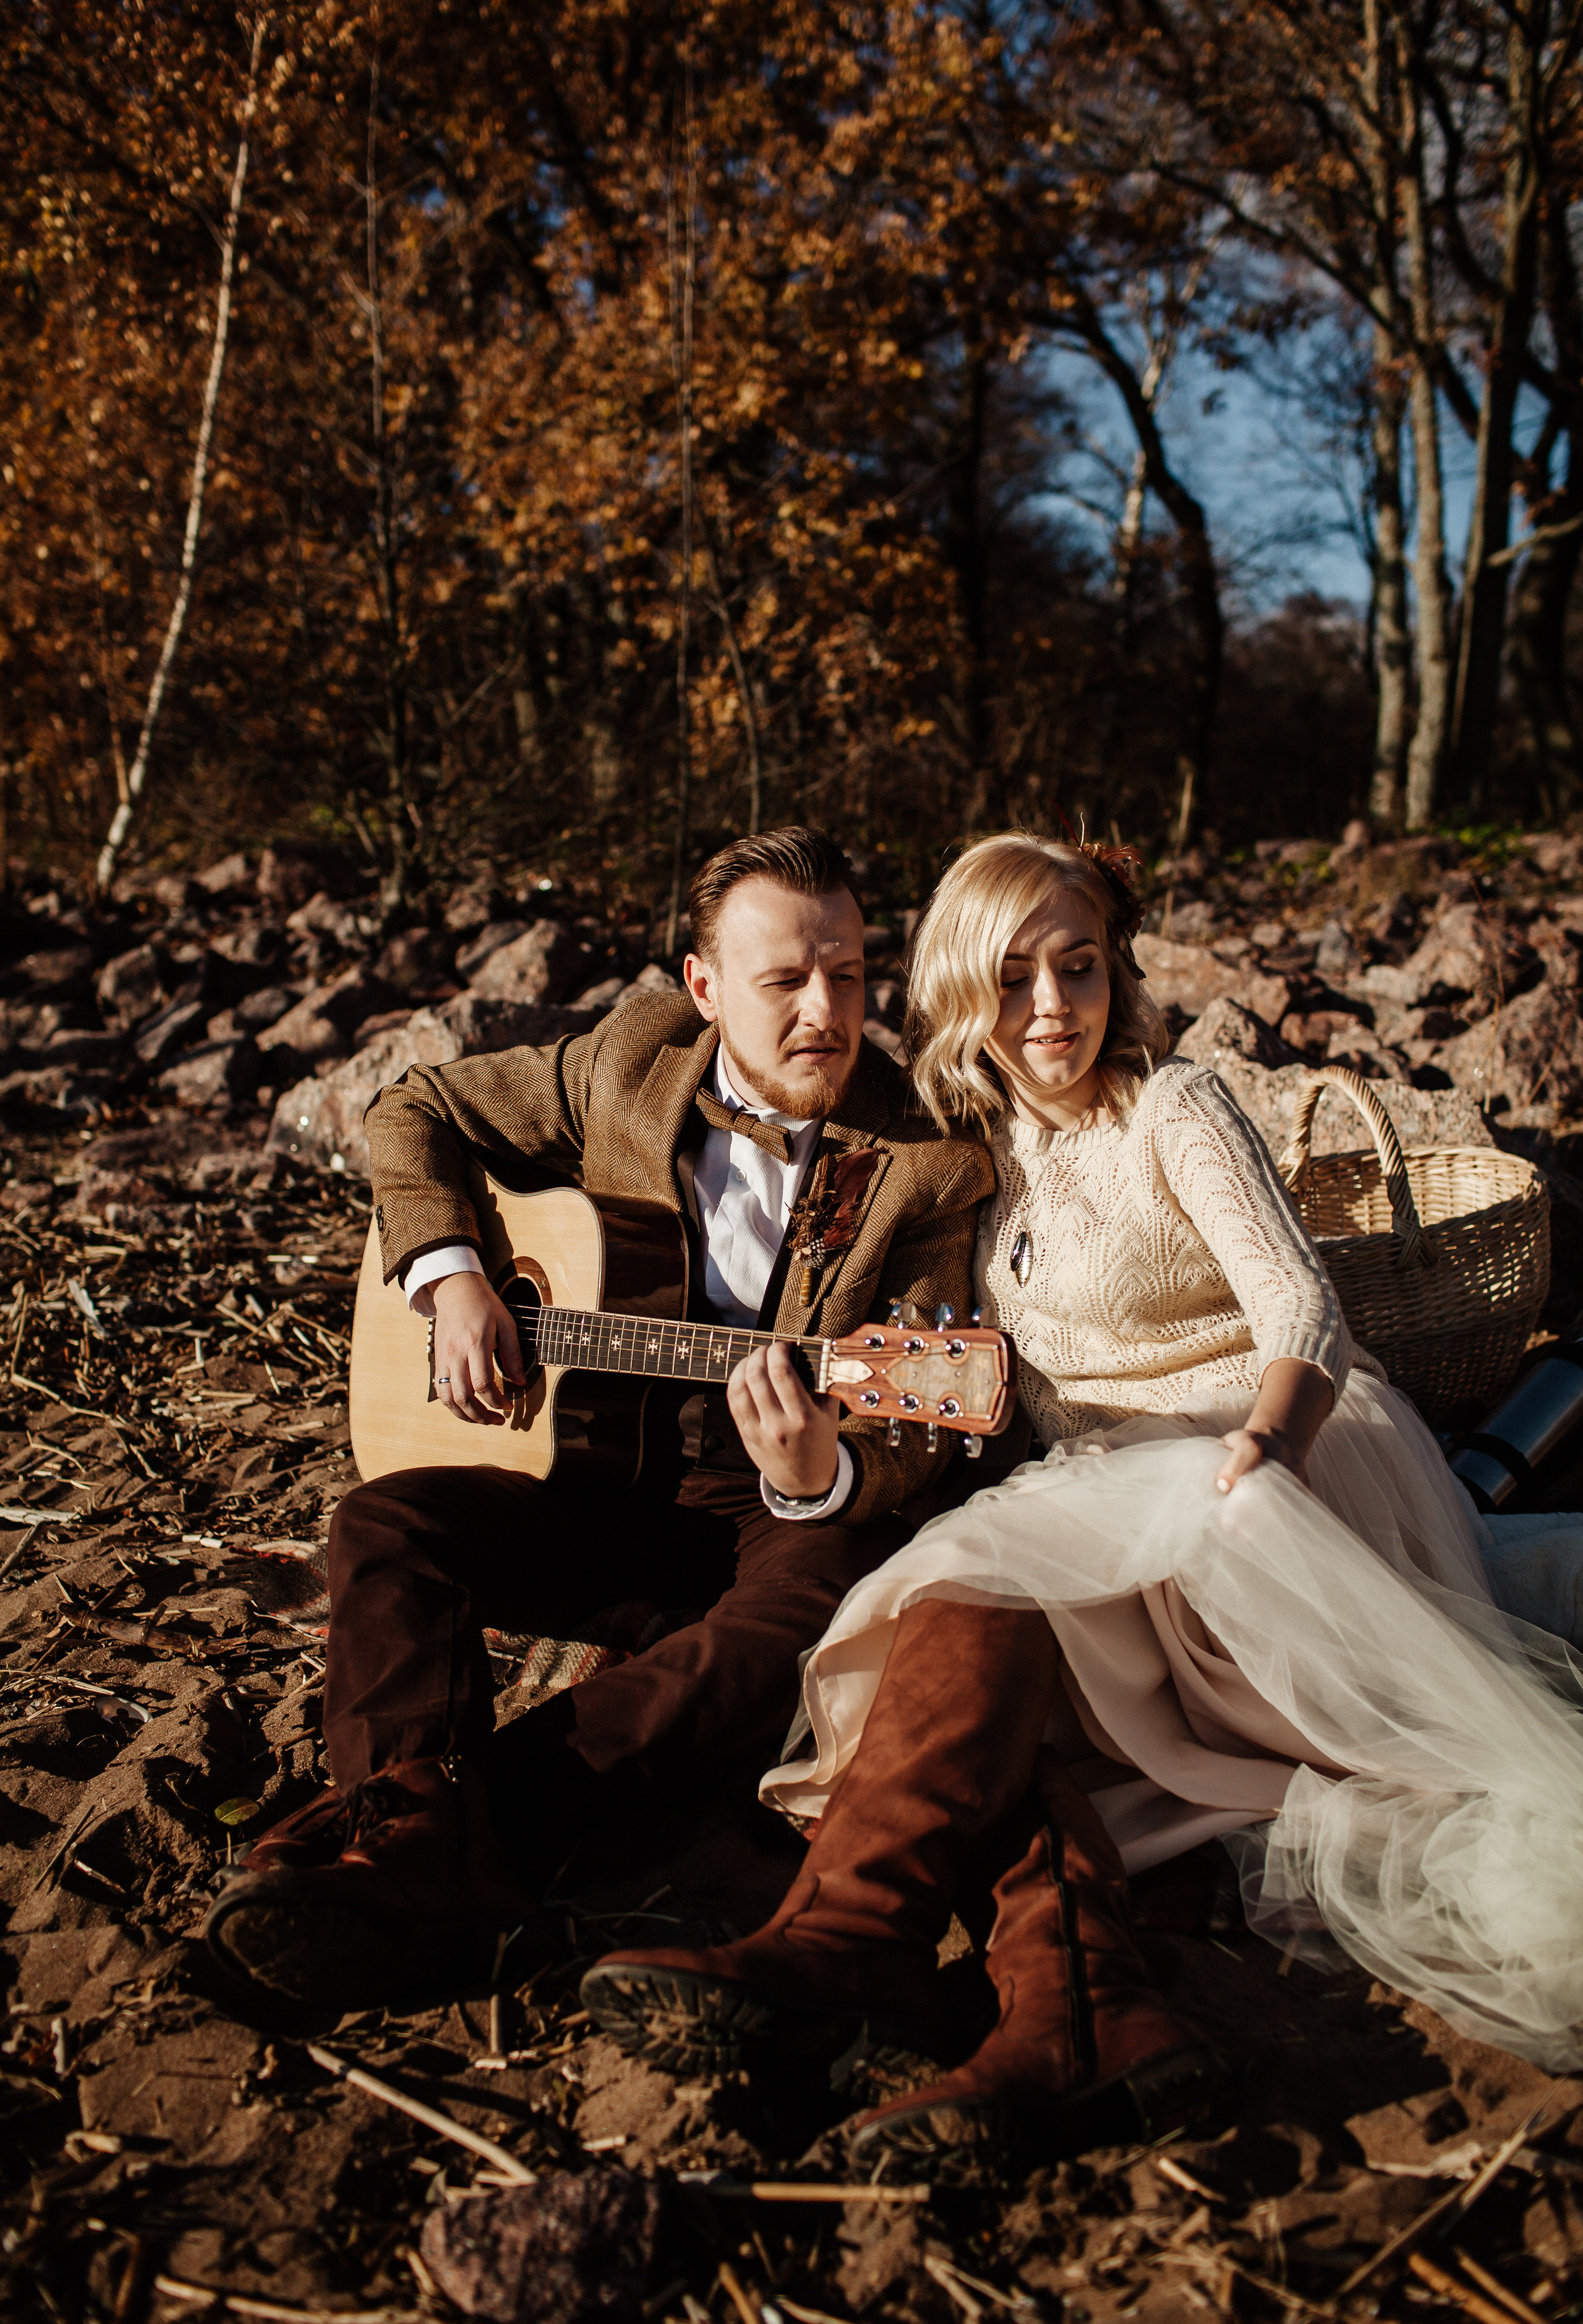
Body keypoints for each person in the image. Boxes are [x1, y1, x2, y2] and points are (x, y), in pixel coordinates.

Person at [581, 831, 1583, 2177]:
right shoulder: (966, 1143)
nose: (1050, 1007)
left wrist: (1259, 1463)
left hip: (1266, 1458)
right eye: (1010, 976)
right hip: (1110, 1485)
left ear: (1115, 974)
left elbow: (1302, 1308)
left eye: (1078, 967)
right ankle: (1013, 1991)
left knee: (970, 1586)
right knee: (989, 1653)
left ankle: (871, 1943)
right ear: (953, 992)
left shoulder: (1172, 1105)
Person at [205, 827, 994, 2009]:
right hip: (597, 1475)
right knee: (382, 1527)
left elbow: (925, 1423)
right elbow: (412, 1111)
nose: (826, 1011)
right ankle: (425, 1846)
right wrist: (455, 1277)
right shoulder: (626, 1063)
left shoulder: (924, 1153)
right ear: (704, 987)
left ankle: (419, 1843)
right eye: (784, 980)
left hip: (774, 1501)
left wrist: (825, 1469)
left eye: (850, 973)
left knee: (802, 1623)